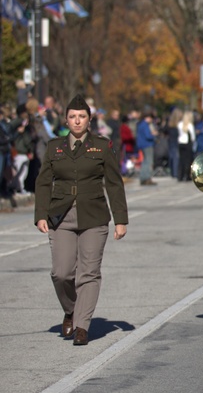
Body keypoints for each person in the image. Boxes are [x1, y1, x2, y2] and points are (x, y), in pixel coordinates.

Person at [33, 94, 129, 346]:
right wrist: (40, 214)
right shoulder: (55, 147)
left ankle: (82, 326)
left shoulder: (102, 145)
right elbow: (43, 182)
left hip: (94, 215)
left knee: (89, 272)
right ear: (66, 120)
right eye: (73, 117)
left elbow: (114, 183)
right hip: (61, 215)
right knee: (61, 273)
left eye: (82, 117)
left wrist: (120, 219)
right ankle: (70, 310)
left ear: (89, 120)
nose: (77, 121)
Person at [136, 111, 158, 185]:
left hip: (142, 145)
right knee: (149, 162)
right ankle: (147, 178)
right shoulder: (145, 125)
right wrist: (154, 134)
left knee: (145, 161)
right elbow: (148, 136)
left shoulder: (140, 124)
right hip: (147, 144)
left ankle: (143, 178)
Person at [176, 110, 196, 182]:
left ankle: (180, 176)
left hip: (181, 142)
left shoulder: (180, 124)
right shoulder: (190, 125)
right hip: (187, 143)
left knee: (181, 160)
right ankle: (187, 175)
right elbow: (193, 137)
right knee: (188, 160)